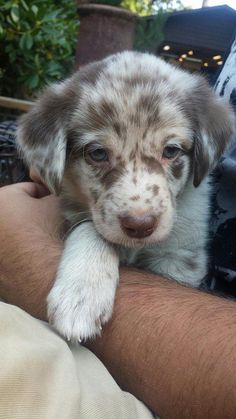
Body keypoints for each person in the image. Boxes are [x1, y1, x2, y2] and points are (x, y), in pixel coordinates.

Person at [1, 36, 236, 419]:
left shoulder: (197, 174)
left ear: (201, 150)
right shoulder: (57, 133)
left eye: (170, 150)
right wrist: (87, 232)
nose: (139, 209)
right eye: (98, 153)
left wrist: (37, 262)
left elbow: (179, 266)